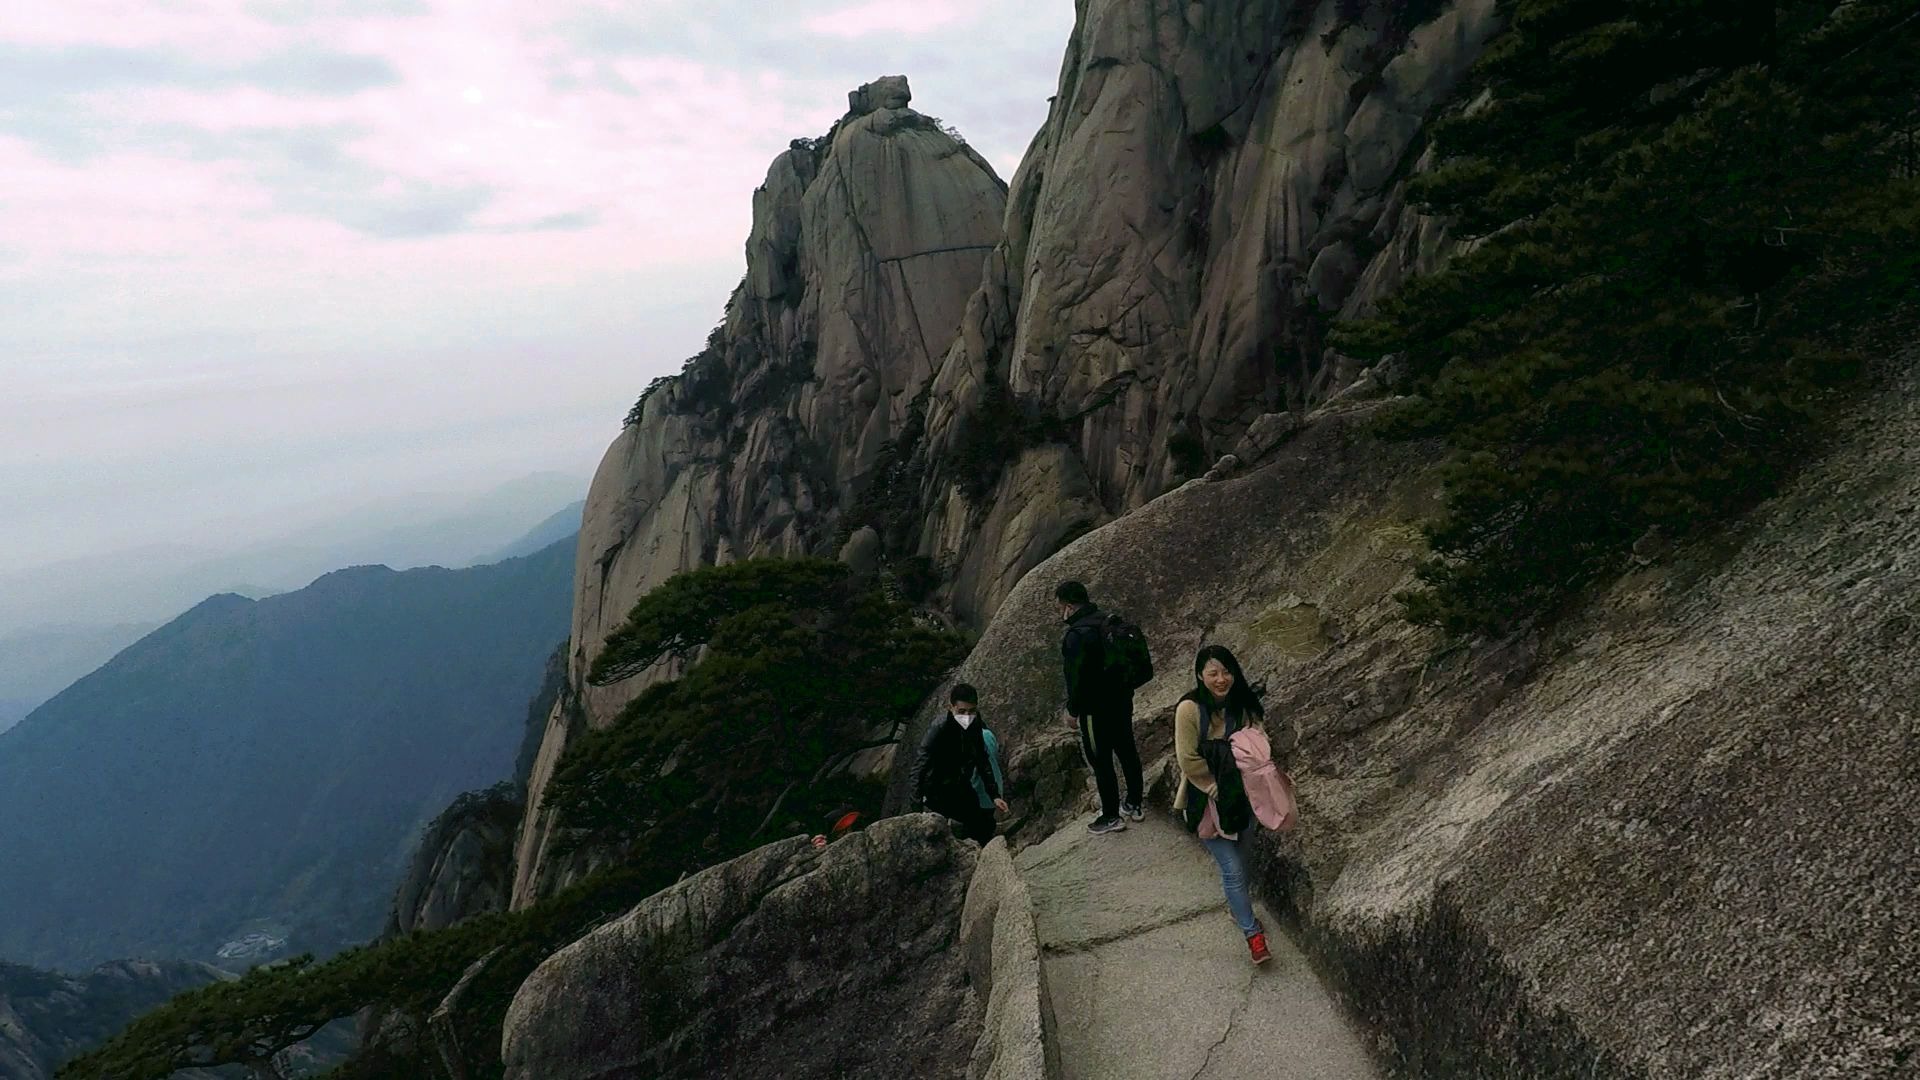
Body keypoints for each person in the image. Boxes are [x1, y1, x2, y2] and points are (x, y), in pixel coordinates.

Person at [1172, 644, 1285, 965]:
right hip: (1207, 799)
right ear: (1199, 675)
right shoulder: (1189, 709)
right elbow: (1187, 758)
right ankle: (1253, 936)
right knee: (1233, 871)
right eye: (1213, 673)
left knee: (1244, 860)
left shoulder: (1242, 704)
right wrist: (1216, 787)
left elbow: (1259, 739)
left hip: (1245, 797)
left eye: (1226, 672)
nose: (1221, 679)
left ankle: (1238, 910)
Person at [1057, 581, 1143, 835]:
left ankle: (1110, 816)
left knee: (1101, 760)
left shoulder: (1077, 635)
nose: (1061, 612)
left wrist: (1072, 711)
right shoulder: (1108, 621)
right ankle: (1135, 803)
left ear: (1069, 606)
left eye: (1060, 607)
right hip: (1121, 700)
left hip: (1095, 710)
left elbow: (1076, 679)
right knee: (1127, 750)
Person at [910, 683, 1008, 845]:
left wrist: (995, 795)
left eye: (971, 711)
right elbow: (919, 767)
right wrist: (916, 811)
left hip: (958, 781)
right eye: (961, 711)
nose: (967, 716)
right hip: (935, 786)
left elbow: (981, 759)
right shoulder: (939, 728)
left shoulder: (975, 723)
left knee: (982, 823)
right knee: (939, 830)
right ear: (951, 707)